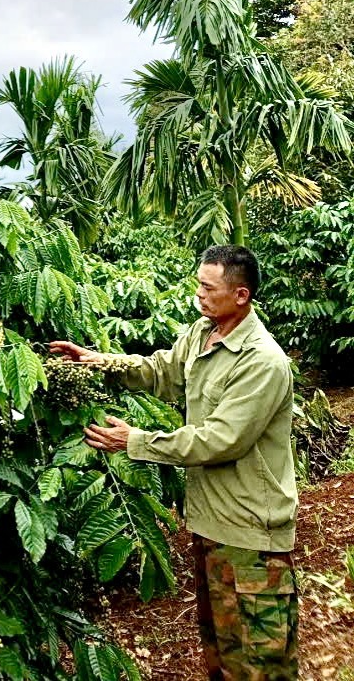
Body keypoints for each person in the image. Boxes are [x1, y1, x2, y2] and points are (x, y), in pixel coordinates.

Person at [50, 245, 299, 680]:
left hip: (250, 533)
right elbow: (161, 371)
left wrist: (137, 441)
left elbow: (221, 440)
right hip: (210, 523)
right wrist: (97, 362)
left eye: (208, 287)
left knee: (261, 662)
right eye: (198, 284)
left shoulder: (263, 360)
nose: (199, 295)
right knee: (221, 652)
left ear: (240, 295)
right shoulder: (203, 333)